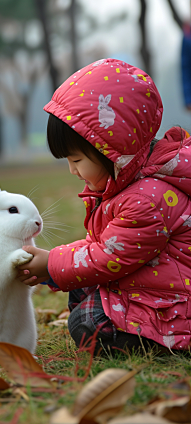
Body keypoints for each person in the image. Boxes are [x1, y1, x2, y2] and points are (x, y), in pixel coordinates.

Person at [17, 58, 191, 353]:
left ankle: (157, 340)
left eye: (76, 160)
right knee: (80, 291)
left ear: (114, 150)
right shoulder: (127, 182)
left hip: (174, 305)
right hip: (150, 283)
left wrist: (51, 263)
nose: (73, 171)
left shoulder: (145, 200)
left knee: (87, 324)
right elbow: (106, 244)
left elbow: (106, 256)